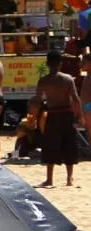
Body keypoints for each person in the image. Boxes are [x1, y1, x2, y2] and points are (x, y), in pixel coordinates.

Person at [36, 49, 82, 187]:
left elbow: (37, 100)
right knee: (69, 144)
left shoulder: (43, 81)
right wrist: (79, 116)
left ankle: (49, 179)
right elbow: (75, 99)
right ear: (60, 63)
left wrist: (33, 116)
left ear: (47, 64)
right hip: (67, 114)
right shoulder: (67, 79)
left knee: (51, 145)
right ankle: (69, 178)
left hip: (53, 114)